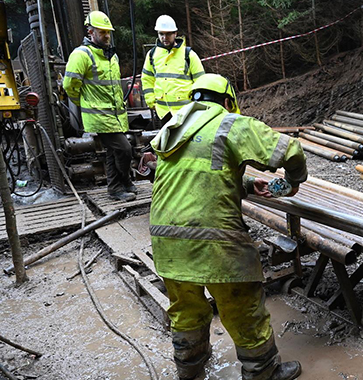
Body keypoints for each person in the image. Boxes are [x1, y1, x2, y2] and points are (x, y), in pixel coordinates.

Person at [148, 73, 307, 380]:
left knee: (186, 310)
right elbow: (290, 150)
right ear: (226, 101)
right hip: (215, 242)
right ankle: (263, 372)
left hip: (167, 243)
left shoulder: (174, 127)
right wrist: (294, 182)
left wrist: (245, 184)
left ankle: (190, 369)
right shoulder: (229, 122)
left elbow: (193, 177)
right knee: (242, 307)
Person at [63, 11, 136, 201]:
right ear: (90, 32)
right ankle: (125, 181)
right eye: (102, 32)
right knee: (124, 149)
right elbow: (69, 86)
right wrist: (83, 104)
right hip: (98, 116)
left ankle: (115, 189)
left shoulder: (111, 56)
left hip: (115, 116)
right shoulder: (81, 55)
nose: (106, 36)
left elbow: (114, 87)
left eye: (108, 32)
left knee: (113, 152)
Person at [142, 15, 211, 120]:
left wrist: (198, 105)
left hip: (186, 112)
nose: (164, 38)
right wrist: (151, 103)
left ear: (175, 33)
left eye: (168, 34)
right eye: (161, 34)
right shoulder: (152, 55)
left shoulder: (188, 54)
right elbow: (147, 80)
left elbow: (201, 81)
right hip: (163, 113)